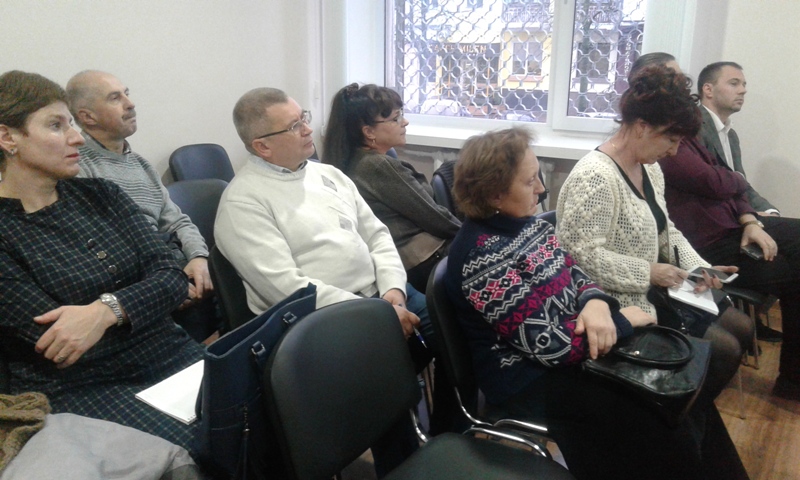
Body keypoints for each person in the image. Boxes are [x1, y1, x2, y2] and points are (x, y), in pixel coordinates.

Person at [446, 127, 747, 480]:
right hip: (528, 379)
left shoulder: (526, 225)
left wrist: (596, 304)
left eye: (538, 176)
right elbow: (550, 347)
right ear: (494, 193)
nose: (541, 189)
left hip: (573, 352)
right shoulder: (481, 259)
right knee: (657, 412)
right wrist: (624, 322)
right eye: (530, 182)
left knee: (682, 398)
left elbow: (575, 272)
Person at [215, 87, 432, 476]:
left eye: (304, 117)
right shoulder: (243, 202)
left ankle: (451, 427)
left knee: (449, 328)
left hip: (382, 295)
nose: (306, 129)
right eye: (293, 126)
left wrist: (393, 292)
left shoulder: (328, 174)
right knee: (387, 379)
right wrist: (376, 313)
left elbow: (378, 236)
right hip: (318, 319)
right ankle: (401, 457)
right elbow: (287, 288)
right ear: (262, 146)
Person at [0, 70, 203, 454]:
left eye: (71, 124)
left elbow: (172, 275)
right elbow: (59, 341)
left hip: (171, 354)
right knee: (208, 446)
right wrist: (147, 304)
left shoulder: (101, 194)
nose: (76, 137)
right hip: (85, 386)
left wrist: (107, 311)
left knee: (269, 407)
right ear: (8, 138)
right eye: (56, 126)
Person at [556, 65, 753, 406]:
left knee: (741, 329)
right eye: (671, 140)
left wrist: (698, 268)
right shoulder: (596, 177)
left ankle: (683, 411)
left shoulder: (649, 168)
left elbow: (666, 229)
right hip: (612, 303)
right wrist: (649, 272)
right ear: (642, 127)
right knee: (725, 350)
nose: (674, 151)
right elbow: (580, 259)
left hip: (652, 290)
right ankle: (675, 415)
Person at [656, 85, 800, 400]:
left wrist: (750, 220)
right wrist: (735, 181)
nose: (743, 90)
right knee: (793, 275)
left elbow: (730, 182)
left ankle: (793, 379)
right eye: (734, 83)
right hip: (710, 241)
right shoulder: (668, 145)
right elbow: (717, 181)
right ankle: (792, 380)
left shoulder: (699, 136)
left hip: (733, 227)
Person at [65, 70, 216, 342]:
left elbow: (177, 221)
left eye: (126, 94)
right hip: (142, 280)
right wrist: (167, 282)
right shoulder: (79, 169)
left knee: (227, 275)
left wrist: (198, 257)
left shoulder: (141, 165)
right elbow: (104, 247)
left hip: (171, 265)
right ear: (88, 117)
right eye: (115, 98)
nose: (130, 103)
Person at [322, 83, 460, 292]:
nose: (404, 122)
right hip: (426, 260)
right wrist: (471, 237)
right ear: (369, 131)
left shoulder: (356, 159)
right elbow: (433, 217)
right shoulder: (378, 166)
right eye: (396, 118)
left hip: (410, 259)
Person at [696, 62, 778, 215]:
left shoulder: (731, 136)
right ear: (708, 89)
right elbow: (706, 185)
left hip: (736, 214)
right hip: (711, 217)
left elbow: (741, 186)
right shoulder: (695, 126)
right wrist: (747, 216)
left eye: (743, 85)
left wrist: (770, 211)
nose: (743, 90)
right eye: (734, 84)